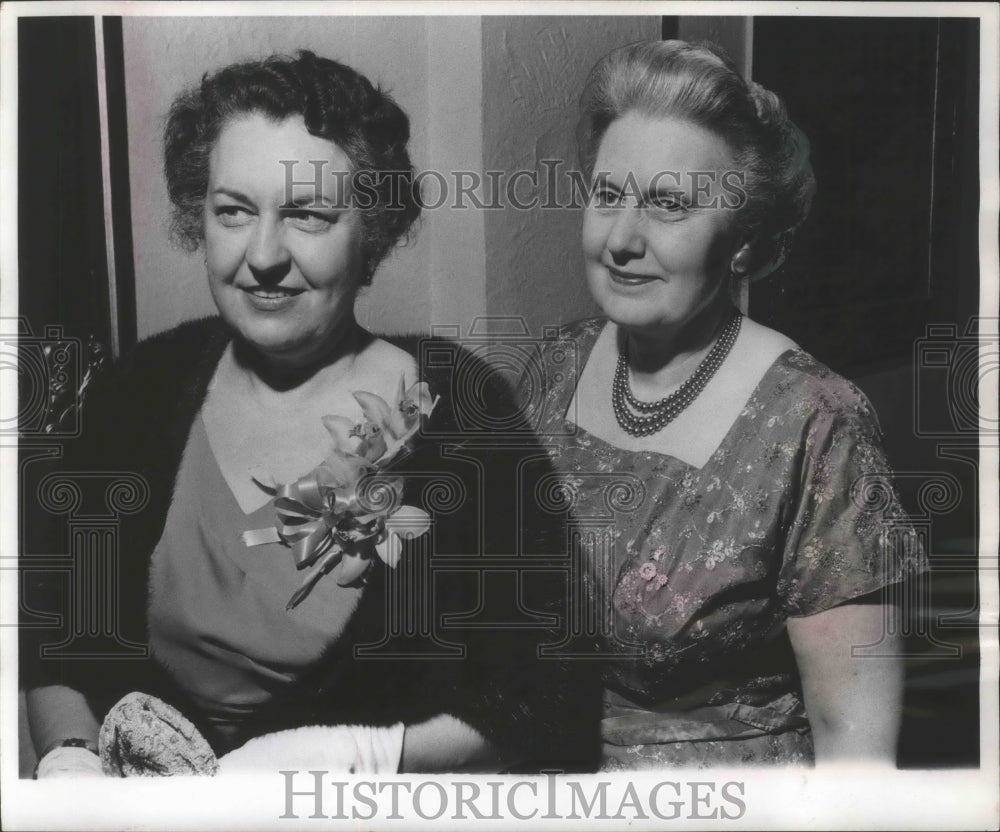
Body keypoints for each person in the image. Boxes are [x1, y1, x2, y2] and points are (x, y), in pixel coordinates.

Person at [22, 51, 597, 777]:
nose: (263, 254)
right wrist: (70, 759)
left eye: (308, 214)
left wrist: (364, 755)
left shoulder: (463, 409)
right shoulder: (138, 388)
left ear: (374, 231)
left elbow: (550, 704)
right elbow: (54, 642)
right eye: (233, 210)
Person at [518, 40, 924, 768]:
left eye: (669, 205)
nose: (621, 240)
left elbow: (853, 745)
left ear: (742, 241)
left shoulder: (814, 422)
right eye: (608, 195)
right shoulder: (557, 365)